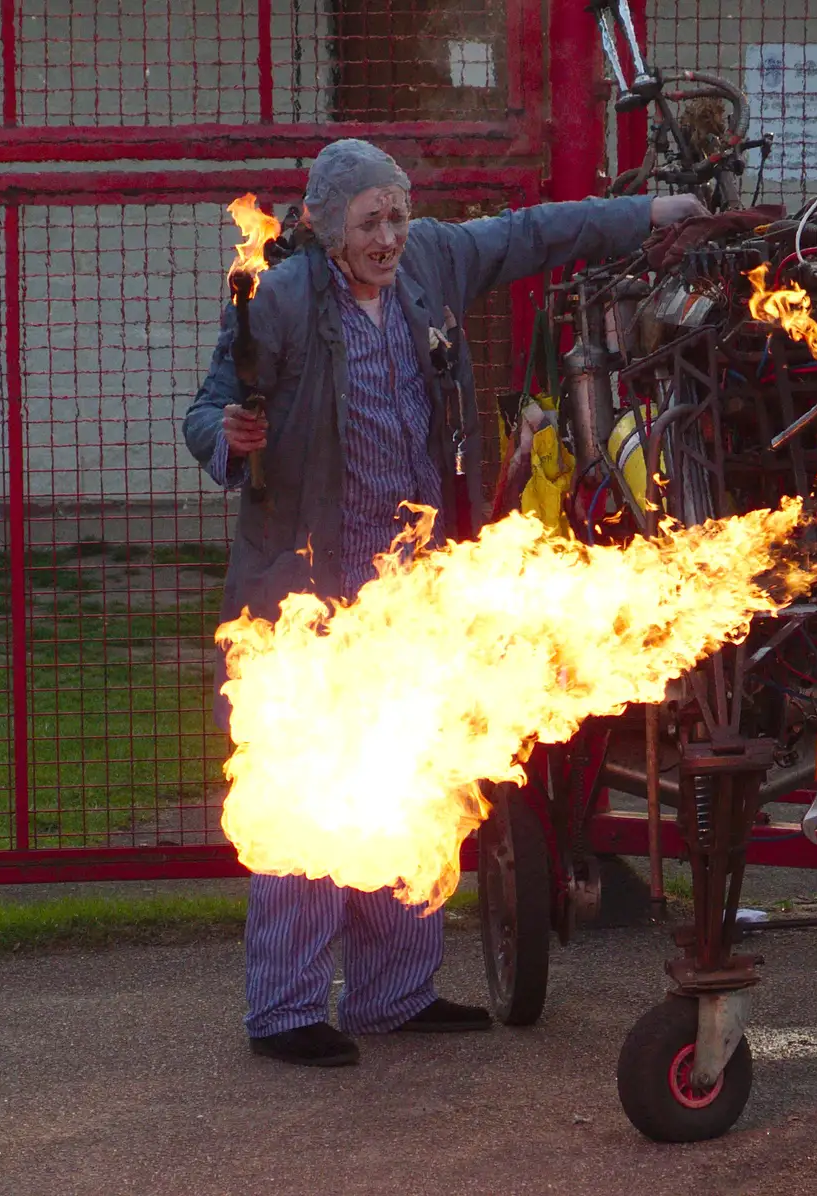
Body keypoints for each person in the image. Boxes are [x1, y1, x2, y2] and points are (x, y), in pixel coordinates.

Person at [185, 138, 707, 1068]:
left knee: (415, 785)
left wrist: (652, 216)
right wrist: (228, 436)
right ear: (322, 226)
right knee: (312, 794)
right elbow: (209, 408)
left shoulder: (430, 264)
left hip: (417, 587)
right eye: (370, 222)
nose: (391, 237)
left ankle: (394, 994)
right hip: (310, 598)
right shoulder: (283, 299)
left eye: (399, 215)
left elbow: (538, 232)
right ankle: (289, 1009)